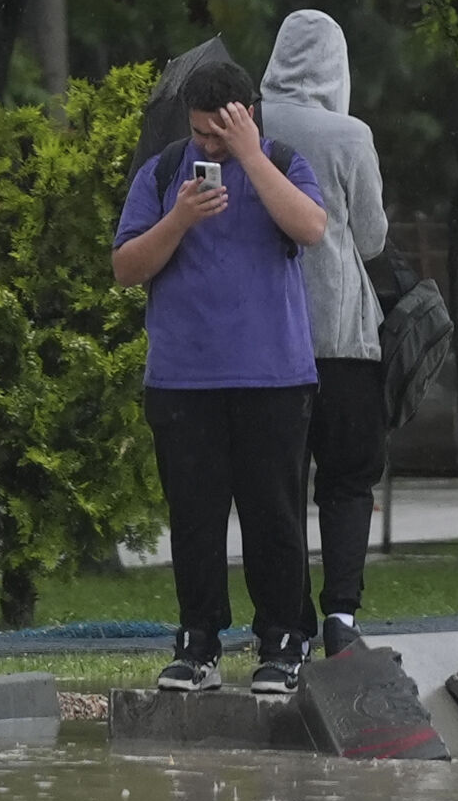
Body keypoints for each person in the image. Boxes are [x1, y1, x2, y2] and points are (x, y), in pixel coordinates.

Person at [111, 55, 329, 698]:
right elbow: (126, 267)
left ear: (247, 115)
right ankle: (198, 642)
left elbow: (312, 228)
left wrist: (251, 157)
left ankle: (283, 640)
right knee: (196, 518)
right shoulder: (163, 173)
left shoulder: (284, 163)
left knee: (274, 515)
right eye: (201, 131)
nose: (208, 144)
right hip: (183, 379)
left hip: (273, 377)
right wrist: (179, 218)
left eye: (219, 132)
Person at [258, 10, 389, 658]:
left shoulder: (245, 127)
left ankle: (287, 626)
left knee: (277, 488)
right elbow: (371, 237)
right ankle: (341, 618)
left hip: (265, 343)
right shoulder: (349, 135)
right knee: (347, 480)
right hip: (341, 338)